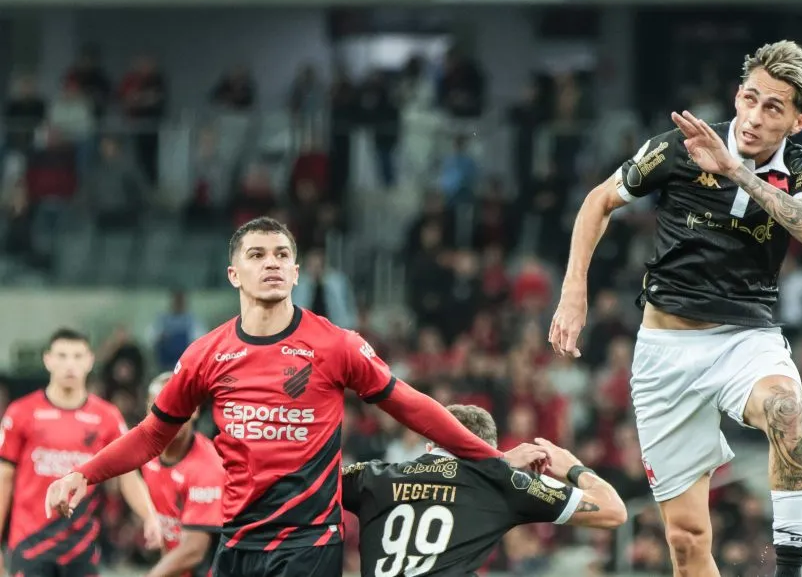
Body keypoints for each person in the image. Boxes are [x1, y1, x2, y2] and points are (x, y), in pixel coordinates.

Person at [44, 216, 548, 577]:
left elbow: (415, 409)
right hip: (238, 541)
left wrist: (494, 459)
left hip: (309, 543)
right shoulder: (206, 355)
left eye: (282, 255)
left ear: (296, 272)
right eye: (257, 255)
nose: (272, 263)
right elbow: (153, 434)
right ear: (233, 274)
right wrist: (82, 474)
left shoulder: (335, 344)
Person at [549, 41, 802, 577]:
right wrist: (573, 292)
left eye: (773, 107)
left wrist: (736, 172)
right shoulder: (679, 148)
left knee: (785, 410)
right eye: (749, 98)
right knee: (686, 543)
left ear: (799, 121)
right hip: (665, 351)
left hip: (744, 341)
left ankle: (790, 569)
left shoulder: (801, 168)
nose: (754, 116)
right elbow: (598, 201)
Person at [342, 404, 626, 577]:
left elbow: (316, 479)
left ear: (429, 446)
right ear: (489, 449)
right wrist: (574, 468)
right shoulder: (502, 482)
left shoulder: (372, 477)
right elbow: (613, 511)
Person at [0, 328, 162, 577]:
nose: (70, 365)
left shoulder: (107, 417)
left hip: (82, 548)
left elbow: (128, 475)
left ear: (89, 361)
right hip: (30, 545)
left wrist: (149, 516)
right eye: (62, 356)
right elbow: (4, 478)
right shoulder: (20, 413)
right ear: (48, 360)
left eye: (77, 356)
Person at [141, 372, 225, 577]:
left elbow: (194, 550)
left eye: (180, 405)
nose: (171, 415)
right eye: (162, 406)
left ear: (195, 410)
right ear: (149, 410)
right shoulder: (145, 454)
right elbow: (126, 478)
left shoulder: (208, 466)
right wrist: (147, 516)